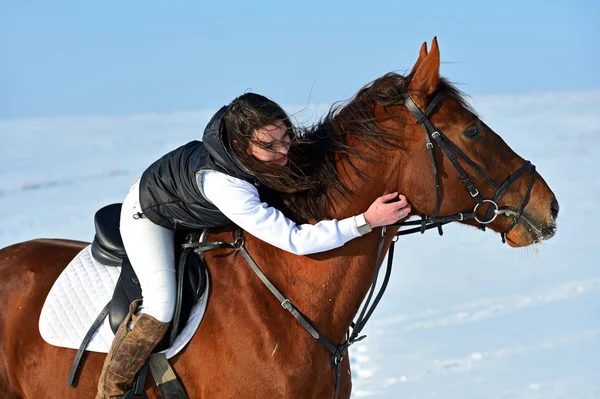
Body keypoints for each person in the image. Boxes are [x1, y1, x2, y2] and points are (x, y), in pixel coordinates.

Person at [96, 93, 412, 398]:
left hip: (188, 199)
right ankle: (112, 390)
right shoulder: (227, 187)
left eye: (285, 137)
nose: (283, 150)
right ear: (240, 145)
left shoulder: (265, 148)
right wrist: (365, 221)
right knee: (161, 304)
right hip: (150, 214)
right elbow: (295, 239)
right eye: (270, 145)